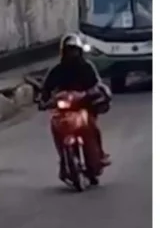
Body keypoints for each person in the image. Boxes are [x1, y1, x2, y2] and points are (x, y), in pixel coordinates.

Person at [38, 33, 112, 179]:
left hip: (84, 105)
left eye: (75, 50)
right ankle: (64, 162)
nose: (72, 53)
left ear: (80, 51)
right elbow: (46, 88)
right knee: (55, 127)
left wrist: (89, 94)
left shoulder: (87, 67)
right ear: (63, 51)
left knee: (91, 124)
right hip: (64, 109)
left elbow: (97, 84)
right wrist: (43, 100)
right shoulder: (56, 70)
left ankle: (99, 154)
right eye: (69, 50)